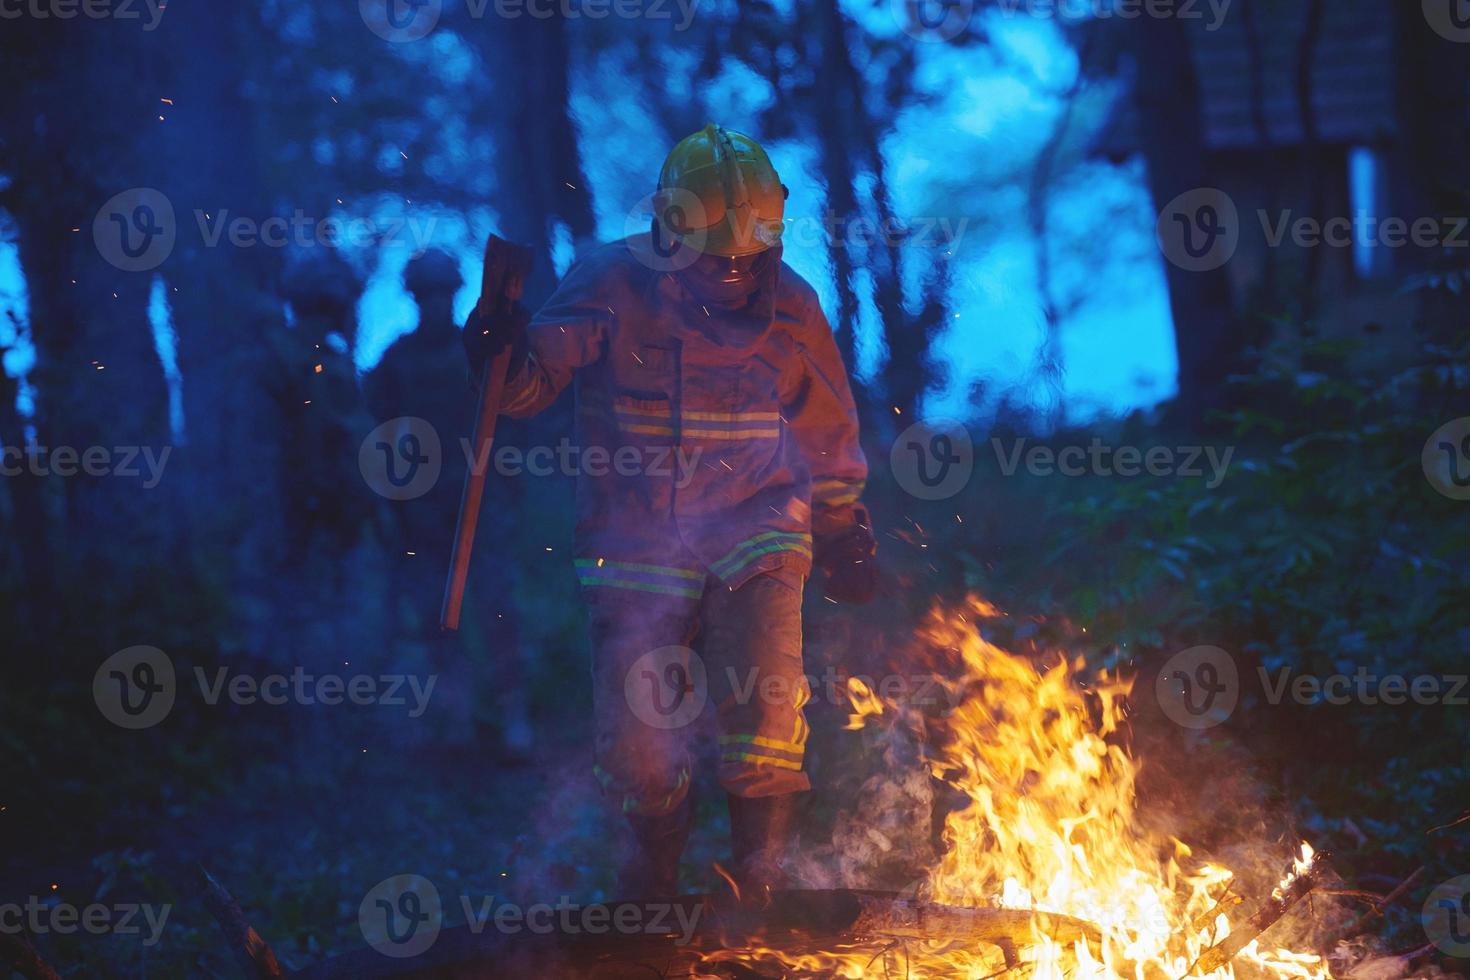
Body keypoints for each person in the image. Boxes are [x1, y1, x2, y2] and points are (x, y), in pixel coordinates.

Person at [463, 125, 877, 900]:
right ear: (664, 228)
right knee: (640, 747)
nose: (728, 273)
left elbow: (827, 426)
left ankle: (759, 888)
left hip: (760, 535)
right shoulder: (609, 285)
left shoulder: (792, 305)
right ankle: (653, 881)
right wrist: (495, 349)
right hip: (635, 543)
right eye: (711, 256)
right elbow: (523, 392)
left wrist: (843, 524)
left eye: (743, 257)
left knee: (765, 719)